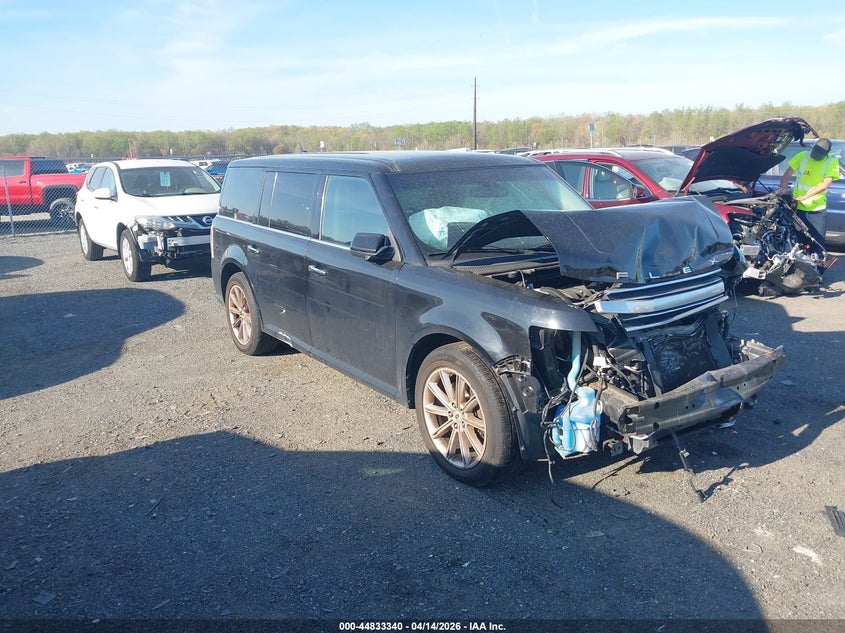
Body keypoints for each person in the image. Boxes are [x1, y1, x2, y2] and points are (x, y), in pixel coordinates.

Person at [779, 137, 840, 247]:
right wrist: (785, 191)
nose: (816, 156)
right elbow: (786, 175)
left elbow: (826, 184)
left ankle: (818, 263)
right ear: (813, 148)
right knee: (798, 241)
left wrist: (805, 196)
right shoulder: (803, 156)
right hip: (798, 208)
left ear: (827, 153)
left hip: (816, 210)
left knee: (817, 243)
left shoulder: (831, 161)